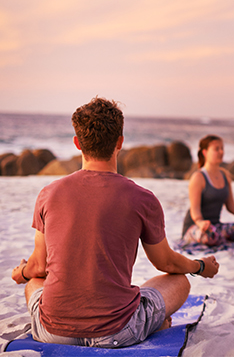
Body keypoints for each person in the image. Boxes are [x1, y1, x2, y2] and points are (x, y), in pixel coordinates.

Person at [9, 97, 219, 348]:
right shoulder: (142, 198)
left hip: (52, 332)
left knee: (35, 283)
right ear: (120, 142)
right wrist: (199, 266)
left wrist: (20, 273)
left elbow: (38, 267)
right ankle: (152, 322)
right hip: (118, 333)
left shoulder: (49, 193)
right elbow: (166, 262)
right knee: (180, 280)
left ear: (77, 143)